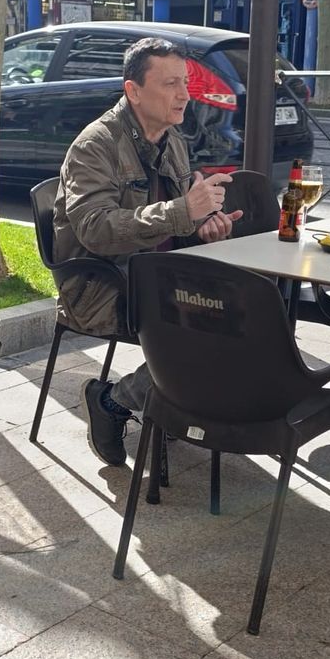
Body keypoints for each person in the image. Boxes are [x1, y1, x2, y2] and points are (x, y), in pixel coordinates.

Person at [55, 36, 242, 466]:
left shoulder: (171, 139)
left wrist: (202, 229)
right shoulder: (95, 145)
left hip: (159, 274)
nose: (184, 95)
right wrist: (181, 212)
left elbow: (175, 225)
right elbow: (95, 230)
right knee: (210, 325)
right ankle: (115, 404)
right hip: (103, 283)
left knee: (248, 308)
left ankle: (155, 399)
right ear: (133, 91)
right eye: (171, 84)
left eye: (186, 82)